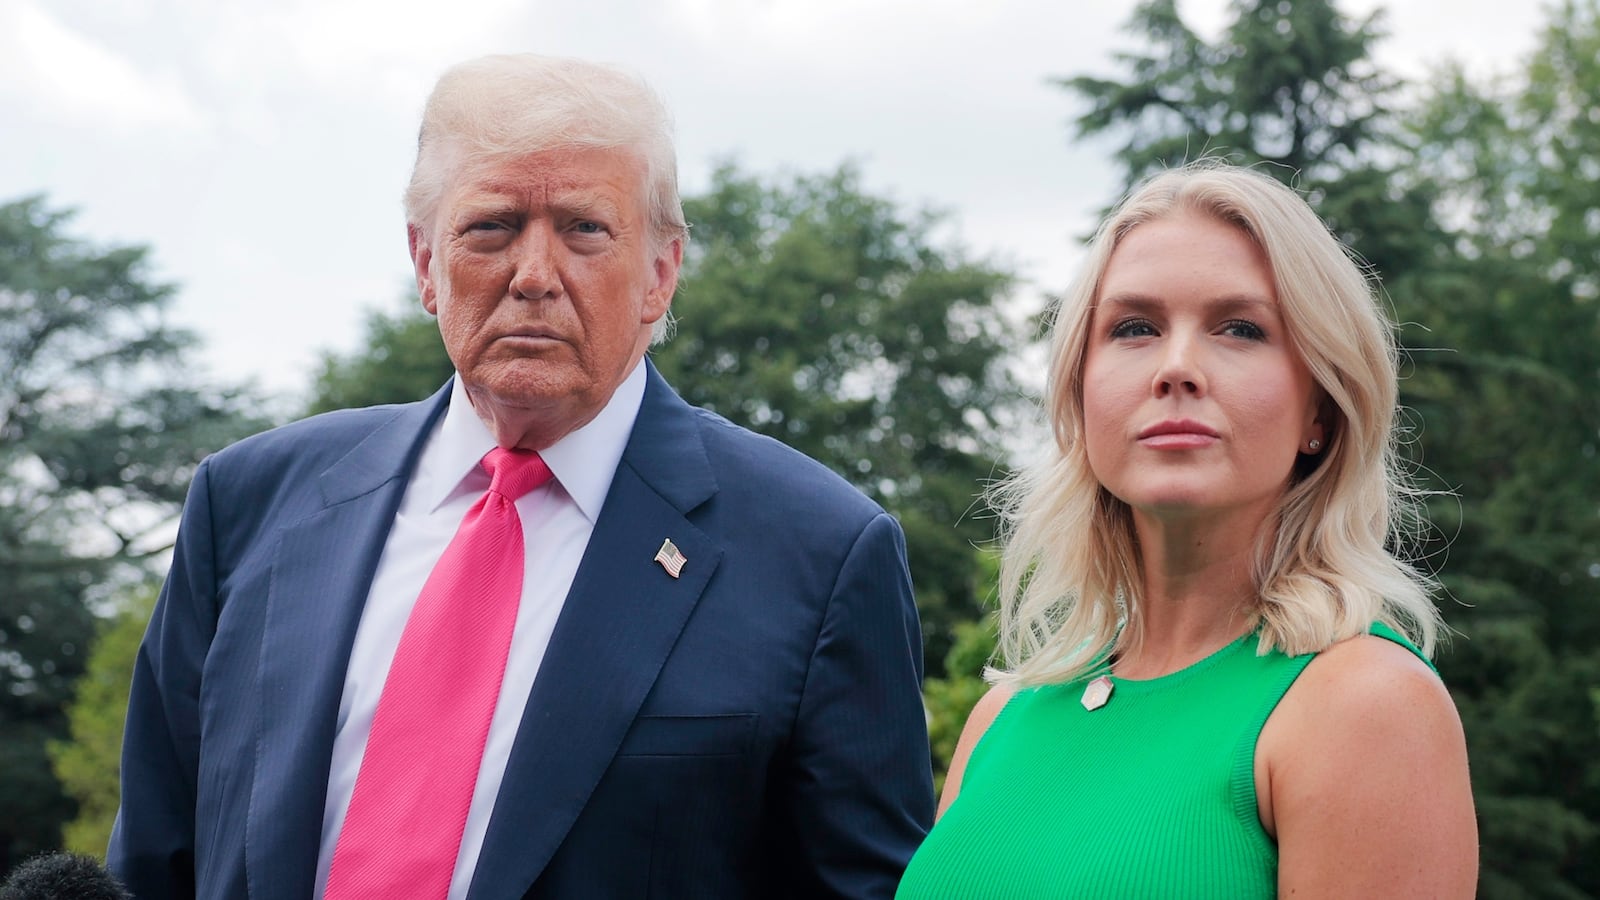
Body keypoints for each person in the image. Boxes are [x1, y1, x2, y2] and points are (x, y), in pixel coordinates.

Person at [108, 53, 934, 900]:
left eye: (584, 228)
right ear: (427, 263)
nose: (535, 274)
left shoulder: (822, 553)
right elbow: (152, 864)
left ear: (660, 271)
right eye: (492, 226)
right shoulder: (248, 506)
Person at [896, 162, 1477, 898]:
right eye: (1134, 328)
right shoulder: (1003, 717)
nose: (1177, 368)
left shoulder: (1364, 703)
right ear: (1080, 391)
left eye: (1240, 329)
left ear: (1321, 412)